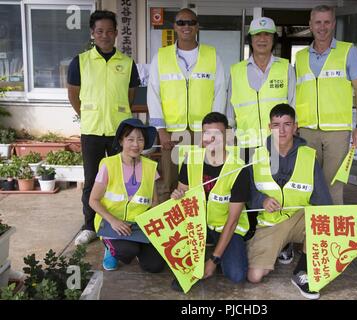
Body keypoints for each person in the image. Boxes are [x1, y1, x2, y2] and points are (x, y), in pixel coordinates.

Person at [67, 10, 141, 245]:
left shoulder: (128, 63)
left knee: (122, 179)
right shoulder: (80, 61)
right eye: (100, 31)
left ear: (117, 33)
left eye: (110, 31)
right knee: (92, 181)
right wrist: (88, 115)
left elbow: (130, 97)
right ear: (92, 34)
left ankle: (119, 221)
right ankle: (89, 226)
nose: (105, 35)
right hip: (92, 131)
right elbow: (73, 94)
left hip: (120, 134)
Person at [247, 104, 332, 300]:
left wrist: (327, 228)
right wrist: (262, 199)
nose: (282, 130)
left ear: (296, 127)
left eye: (287, 124)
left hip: (300, 218)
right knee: (254, 276)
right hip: (271, 222)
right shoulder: (257, 155)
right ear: (269, 127)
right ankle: (283, 246)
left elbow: (323, 200)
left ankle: (302, 272)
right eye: (276, 125)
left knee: (320, 223)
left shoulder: (309, 156)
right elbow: (249, 192)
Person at [148, 8, 226, 202]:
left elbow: (220, 92)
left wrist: (214, 132)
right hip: (173, 134)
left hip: (203, 133)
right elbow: (153, 94)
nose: (186, 26)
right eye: (181, 22)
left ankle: (197, 225)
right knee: (169, 183)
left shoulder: (212, 55)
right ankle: (168, 228)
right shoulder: (161, 57)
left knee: (203, 179)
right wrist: (161, 129)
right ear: (174, 26)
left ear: (197, 26)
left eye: (191, 22)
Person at [295, 5, 357, 205]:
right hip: (307, 130)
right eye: (318, 22)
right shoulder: (300, 57)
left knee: (333, 186)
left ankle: (331, 233)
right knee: (306, 183)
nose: (322, 27)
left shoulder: (348, 51)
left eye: (327, 22)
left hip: (337, 132)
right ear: (310, 25)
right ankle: (307, 231)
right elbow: (295, 93)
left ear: (334, 24)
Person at [171, 112, 250, 286]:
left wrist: (213, 261)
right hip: (196, 226)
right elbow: (181, 192)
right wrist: (176, 195)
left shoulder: (238, 168)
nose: (211, 139)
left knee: (236, 275)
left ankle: (216, 252)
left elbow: (233, 220)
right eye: (207, 134)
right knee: (177, 266)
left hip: (226, 228)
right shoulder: (191, 159)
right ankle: (205, 251)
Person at [89, 118, 165, 273]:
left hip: (138, 226)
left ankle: (136, 244)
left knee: (155, 266)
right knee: (127, 251)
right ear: (121, 141)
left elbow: (154, 203)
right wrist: (114, 221)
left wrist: (155, 230)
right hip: (111, 223)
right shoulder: (108, 165)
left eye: (140, 139)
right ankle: (110, 247)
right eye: (130, 139)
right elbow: (93, 200)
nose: (136, 144)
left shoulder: (150, 167)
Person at [227, 17, 296, 160]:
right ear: (250, 39)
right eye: (257, 34)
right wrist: (230, 139)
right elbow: (229, 111)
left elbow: (293, 104)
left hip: (278, 143)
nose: (262, 39)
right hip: (246, 145)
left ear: (274, 39)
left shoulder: (286, 68)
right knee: (247, 182)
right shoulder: (236, 70)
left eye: (267, 34)